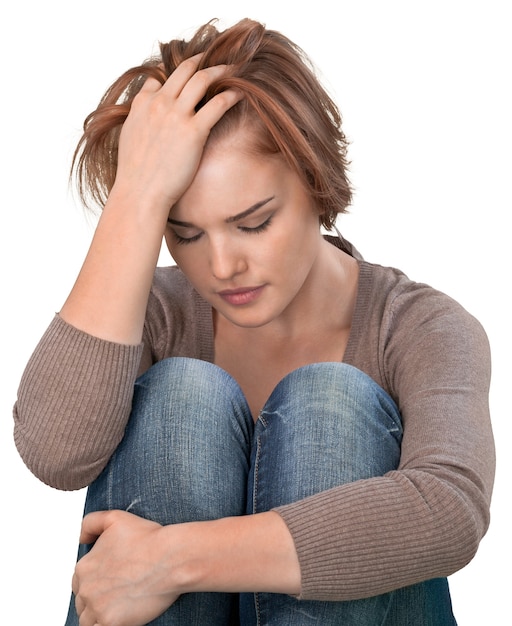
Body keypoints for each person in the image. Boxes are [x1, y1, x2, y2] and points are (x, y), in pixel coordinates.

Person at [13, 17, 494, 626]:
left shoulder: (420, 325)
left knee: (329, 400)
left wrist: (175, 559)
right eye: (184, 233)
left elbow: (449, 511)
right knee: (182, 397)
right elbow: (55, 456)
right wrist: (135, 193)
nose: (221, 266)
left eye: (253, 222)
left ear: (318, 185)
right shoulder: (155, 314)